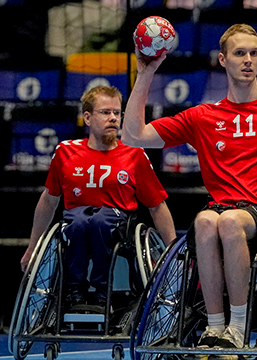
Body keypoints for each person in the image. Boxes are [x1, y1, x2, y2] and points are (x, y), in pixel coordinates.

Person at [122, 23, 257, 353]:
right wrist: (145, 73)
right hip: (221, 214)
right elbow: (133, 137)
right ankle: (215, 326)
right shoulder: (203, 116)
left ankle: (236, 327)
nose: (248, 60)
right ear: (223, 60)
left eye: (254, 53)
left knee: (229, 221)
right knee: (206, 220)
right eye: (239, 53)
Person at [20, 85, 177, 311]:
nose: (113, 118)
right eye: (105, 112)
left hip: (118, 224)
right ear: (87, 117)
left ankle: (103, 292)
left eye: (117, 112)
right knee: (81, 221)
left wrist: (171, 249)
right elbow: (48, 201)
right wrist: (32, 248)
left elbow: (157, 206)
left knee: (101, 220)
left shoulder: (134, 154)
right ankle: (75, 291)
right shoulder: (65, 152)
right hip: (75, 221)